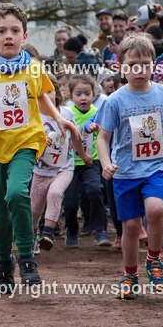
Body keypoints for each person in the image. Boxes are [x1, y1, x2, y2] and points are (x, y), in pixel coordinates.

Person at [0, 2, 81, 293]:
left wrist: (60, 118)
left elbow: (41, 98)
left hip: (26, 142)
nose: (8, 35)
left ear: (24, 36)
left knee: (17, 193)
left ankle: (27, 258)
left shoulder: (34, 68)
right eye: (2, 31)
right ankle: (4, 264)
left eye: (15, 30)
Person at [97, 34, 163, 300]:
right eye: (132, 65)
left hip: (158, 166)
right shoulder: (114, 100)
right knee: (130, 226)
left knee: (155, 208)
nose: (138, 70)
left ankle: (154, 260)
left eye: (144, 64)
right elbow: (103, 138)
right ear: (121, 67)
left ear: (154, 65)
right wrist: (105, 163)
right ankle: (130, 275)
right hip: (125, 171)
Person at [32, 83, 91, 253]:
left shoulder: (66, 112)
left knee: (56, 193)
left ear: (57, 93)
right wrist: (39, 140)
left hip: (64, 166)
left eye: (50, 91)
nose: (47, 95)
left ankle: (48, 233)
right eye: (42, 92)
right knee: (34, 210)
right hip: (41, 169)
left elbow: (75, 134)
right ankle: (32, 237)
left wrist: (83, 154)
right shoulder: (32, 115)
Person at [60, 75, 109, 248]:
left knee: (96, 190)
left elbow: (105, 137)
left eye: (87, 94)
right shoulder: (66, 113)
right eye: (78, 94)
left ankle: (100, 230)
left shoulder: (98, 114)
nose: (83, 98)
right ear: (71, 96)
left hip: (92, 162)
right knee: (71, 201)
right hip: (70, 164)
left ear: (94, 94)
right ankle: (71, 230)